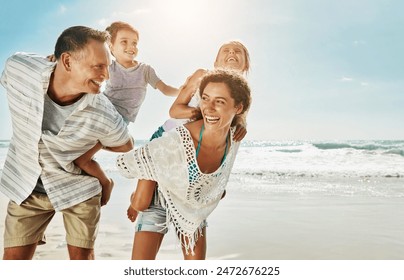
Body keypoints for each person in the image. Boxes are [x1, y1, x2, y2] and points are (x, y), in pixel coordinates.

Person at [0, 26, 133, 260]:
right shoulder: (21, 69)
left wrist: (87, 153)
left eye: (108, 66)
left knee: (81, 262)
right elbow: (11, 74)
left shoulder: (102, 112)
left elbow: (126, 144)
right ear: (68, 62)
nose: (106, 75)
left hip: (77, 185)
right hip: (27, 185)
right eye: (98, 66)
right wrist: (49, 63)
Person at [118, 69, 252, 259]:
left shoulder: (234, 137)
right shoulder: (178, 140)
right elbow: (137, 160)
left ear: (238, 107)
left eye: (220, 101)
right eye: (205, 98)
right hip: (159, 195)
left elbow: (220, 178)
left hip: (191, 203)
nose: (209, 107)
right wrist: (137, 202)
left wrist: (214, 192)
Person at [71, 21, 179, 206]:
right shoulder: (109, 66)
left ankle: (105, 182)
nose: (131, 47)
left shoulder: (145, 70)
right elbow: (83, 66)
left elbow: (165, 89)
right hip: (103, 111)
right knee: (81, 158)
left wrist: (184, 91)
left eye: (135, 43)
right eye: (124, 42)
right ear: (110, 47)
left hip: (120, 121)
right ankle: (103, 183)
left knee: (88, 157)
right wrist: (62, 60)